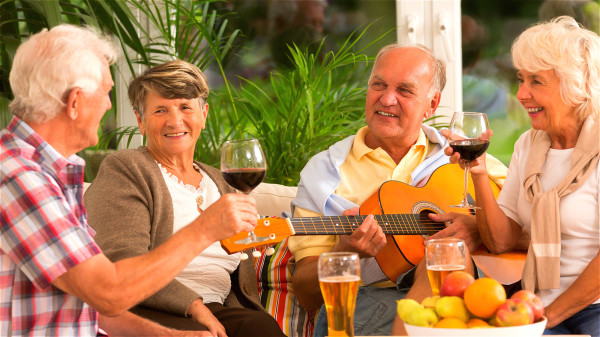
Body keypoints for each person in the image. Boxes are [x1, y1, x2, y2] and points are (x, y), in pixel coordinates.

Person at [0, 24, 257, 337]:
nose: (109, 105)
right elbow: (108, 292)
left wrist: (170, 336)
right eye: (106, 92)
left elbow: (90, 305)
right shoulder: (19, 177)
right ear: (76, 102)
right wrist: (206, 228)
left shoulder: (51, 173)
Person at [288, 43, 508, 336]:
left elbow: (522, 227)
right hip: (368, 309)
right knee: (446, 256)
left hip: (466, 303)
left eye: (404, 90)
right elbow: (305, 292)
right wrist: (345, 253)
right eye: (378, 84)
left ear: (432, 104)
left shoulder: (460, 156)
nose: (387, 98)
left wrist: (480, 226)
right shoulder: (325, 173)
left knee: (445, 255)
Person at [84, 60, 286, 337]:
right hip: (152, 311)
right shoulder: (127, 169)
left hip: (219, 309)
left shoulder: (222, 182)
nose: (175, 121)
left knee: (261, 328)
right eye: (160, 110)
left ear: (203, 114)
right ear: (140, 121)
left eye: (185, 107)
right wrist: (194, 306)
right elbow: (122, 266)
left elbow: (241, 265)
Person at [446, 16, 599, 336]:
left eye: (536, 81)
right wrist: (479, 173)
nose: (520, 94)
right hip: (533, 302)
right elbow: (500, 240)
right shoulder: (528, 144)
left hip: (591, 309)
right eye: (520, 79)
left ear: (575, 85)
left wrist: (547, 316)